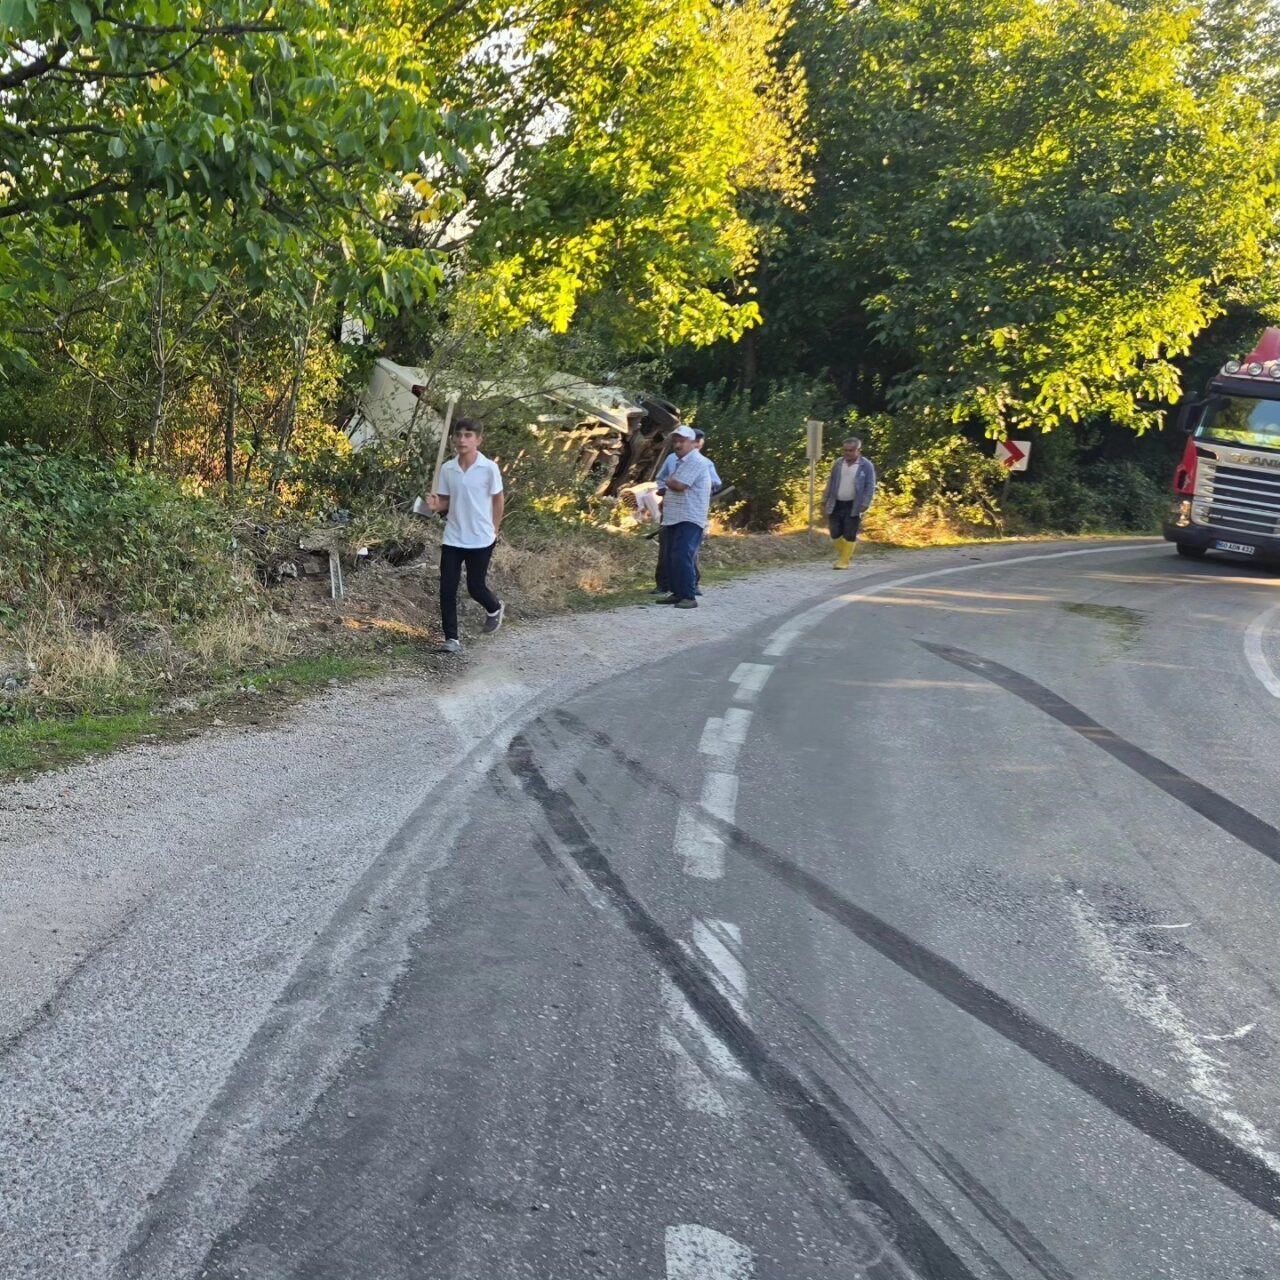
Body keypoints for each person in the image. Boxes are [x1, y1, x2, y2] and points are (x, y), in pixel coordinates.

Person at [424, 418, 505, 652]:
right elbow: (446, 502)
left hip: (481, 537)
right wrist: (435, 506)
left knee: (475, 586)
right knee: (447, 588)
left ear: (478, 440)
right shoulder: (448, 469)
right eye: (458, 435)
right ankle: (452, 638)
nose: (462, 439)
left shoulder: (488, 468)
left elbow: (498, 499)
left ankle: (494, 608)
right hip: (453, 537)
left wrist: (494, 528)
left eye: (468, 435)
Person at [652, 428, 722, 595]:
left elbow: (679, 485)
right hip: (673, 514)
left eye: (681, 441)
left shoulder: (698, 461)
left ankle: (689, 594)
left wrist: (671, 482)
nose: (677, 445)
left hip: (690, 515)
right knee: (671, 554)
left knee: (684, 555)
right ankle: (674, 591)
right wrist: (666, 488)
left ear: (693, 443)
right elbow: (664, 480)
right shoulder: (674, 460)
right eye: (675, 441)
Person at [822, 436, 876, 569]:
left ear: (858, 450)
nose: (847, 453)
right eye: (845, 450)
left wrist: (866, 502)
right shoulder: (838, 463)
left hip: (854, 504)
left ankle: (844, 562)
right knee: (834, 532)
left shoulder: (866, 466)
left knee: (849, 533)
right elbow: (831, 482)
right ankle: (845, 555)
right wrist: (825, 498)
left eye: (850, 450)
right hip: (837, 502)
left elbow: (870, 485)